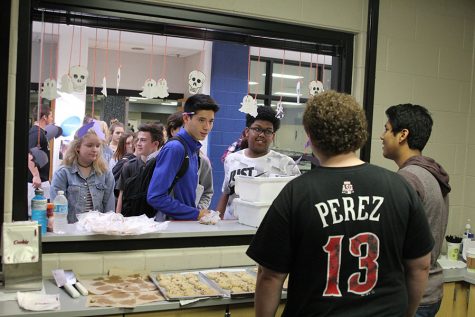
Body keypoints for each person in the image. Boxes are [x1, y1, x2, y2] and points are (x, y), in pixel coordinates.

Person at [246, 91, 434, 317]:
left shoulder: (296, 193)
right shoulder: (399, 188)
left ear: (310, 135)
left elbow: (270, 276)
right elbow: (420, 266)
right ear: (360, 133)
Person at [381, 103, 451, 317]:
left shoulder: (407, 179)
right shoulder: (431, 173)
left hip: (412, 295)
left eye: (386, 129)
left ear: (402, 135)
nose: (382, 136)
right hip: (430, 290)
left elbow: (391, 242)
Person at [216, 106, 300, 220]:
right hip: (232, 229)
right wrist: (216, 220)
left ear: (273, 136)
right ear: (247, 132)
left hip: (268, 229)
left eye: (268, 131)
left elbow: (296, 202)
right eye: (257, 129)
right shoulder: (232, 160)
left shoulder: (287, 164)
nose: (262, 134)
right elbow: (226, 194)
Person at [147, 94, 219, 221]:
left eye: (211, 121)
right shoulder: (175, 148)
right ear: (186, 118)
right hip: (170, 228)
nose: (207, 127)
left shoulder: (192, 149)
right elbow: (156, 197)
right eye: (201, 120)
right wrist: (195, 214)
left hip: (184, 226)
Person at [50, 121, 115, 223]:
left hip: (98, 231)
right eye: (89, 145)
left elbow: (109, 208)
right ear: (77, 147)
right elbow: (57, 210)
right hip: (71, 232)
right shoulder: (63, 173)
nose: (95, 150)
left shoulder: (105, 173)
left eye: (98, 146)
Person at [166, 111, 214, 209]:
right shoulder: (159, 156)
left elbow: (207, 191)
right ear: (172, 131)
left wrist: (197, 211)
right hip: (161, 219)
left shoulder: (202, 160)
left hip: (189, 219)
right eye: (183, 128)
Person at [115, 123, 164, 213]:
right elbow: (121, 196)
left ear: (155, 143)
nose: (138, 144)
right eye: (137, 140)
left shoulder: (163, 166)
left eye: (143, 140)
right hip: (130, 220)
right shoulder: (128, 166)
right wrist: (118, 218)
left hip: (153, 221)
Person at [27, 105, 54, 216]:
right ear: (44, 117)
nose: (52, 118)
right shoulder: (35, 133)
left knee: (44, 215)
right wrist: (36, 176)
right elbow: (30, 155)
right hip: (36, 184)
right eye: (51, 116)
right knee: (35, 216)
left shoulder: (42, 133)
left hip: (42, 182)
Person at [111, 132, 135, 196]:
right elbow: (111, 182)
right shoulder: (118, 160)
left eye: (132, 142)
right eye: (127, 143)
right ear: (122, 145)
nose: (131, 145)